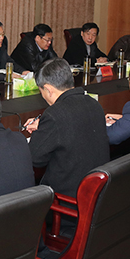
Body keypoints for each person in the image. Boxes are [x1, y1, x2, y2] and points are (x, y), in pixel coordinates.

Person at [25, 58, 109, 198]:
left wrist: (40, 132)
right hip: (98, 192)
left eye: (41, 92)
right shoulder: (94, 104)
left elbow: (35, 158)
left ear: (48, 89)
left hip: (67, 198)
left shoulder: (54, 114)